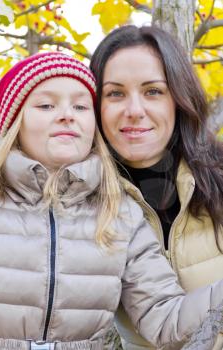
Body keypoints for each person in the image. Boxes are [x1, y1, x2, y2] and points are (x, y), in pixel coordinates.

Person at [0, 51, 223, 350]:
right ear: (15, 124)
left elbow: (165, 321)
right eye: (46, 105)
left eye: (80, 106)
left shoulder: (119, 213)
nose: (66, 114)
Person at [90, 25, 223, 350]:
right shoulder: (79, 202)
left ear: (179, 99)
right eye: (115, 93)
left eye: (153, 91)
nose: (134, 111)